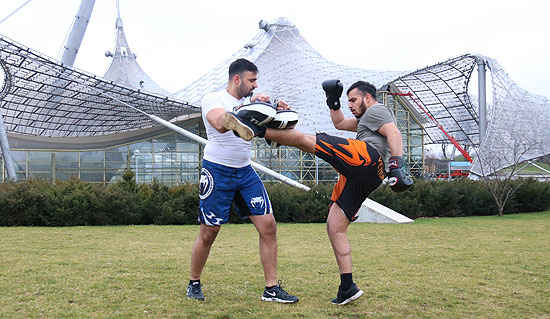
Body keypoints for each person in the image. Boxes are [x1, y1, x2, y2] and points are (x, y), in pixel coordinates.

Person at [223, 79, 413, 305]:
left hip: (366, 159)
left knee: (307, 140)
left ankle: (256, 128)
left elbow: (394, 133)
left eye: (353, 100)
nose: (350, 104)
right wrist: (333, 102)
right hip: (368, 176)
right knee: (335, 226)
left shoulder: (377, 110)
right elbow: (341, 124)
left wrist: (397, 164)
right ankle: (347, 287)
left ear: (368, 98)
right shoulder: (365, 120)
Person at [187, 58, 299, 304]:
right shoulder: (213, 99)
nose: (255, 85)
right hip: (217, 171)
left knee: (269, 227)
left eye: (256, 81)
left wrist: (278, 113)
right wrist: (246, 111)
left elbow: (277, 139)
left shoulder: (253, 104)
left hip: (245, 172)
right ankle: (194, 282)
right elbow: (219, 122)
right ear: (236, 79)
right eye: (252, 81)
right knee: (209, 233)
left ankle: (271, 289)